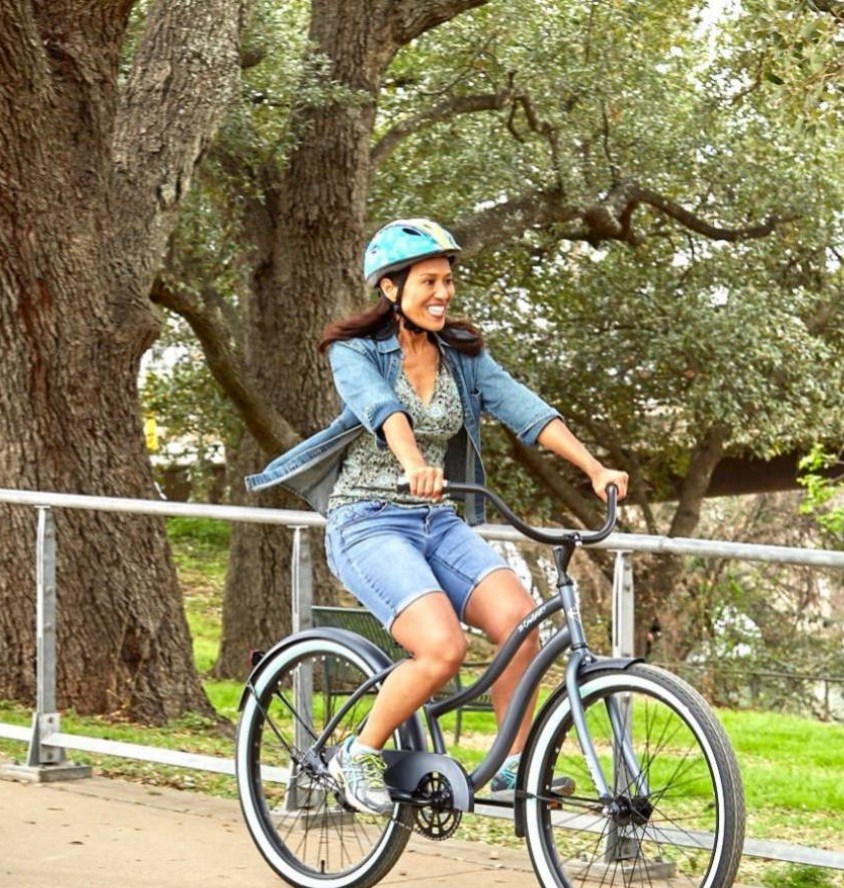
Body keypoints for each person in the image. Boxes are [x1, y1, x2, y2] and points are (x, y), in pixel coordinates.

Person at [247, 218, 630, 814]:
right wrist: (411, 463)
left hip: (437, 520)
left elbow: (523, 408)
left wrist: (593, 467)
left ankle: (509, 768)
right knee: (441, 650)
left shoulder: (462, 354)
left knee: (521, 623)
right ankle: (358, 754)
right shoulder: (355, 352)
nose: (442, 293)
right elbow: (381, 410)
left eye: (447, 281)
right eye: (428, 281)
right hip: (368, 520)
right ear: (391, 289)